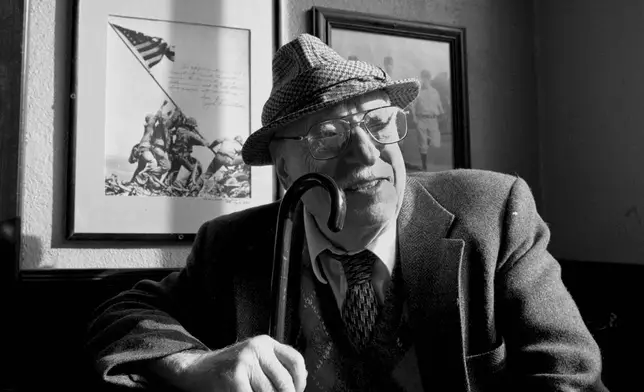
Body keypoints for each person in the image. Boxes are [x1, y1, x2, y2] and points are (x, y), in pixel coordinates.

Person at [86, 34, 608, 392]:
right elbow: (123, 317)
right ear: (285, 171)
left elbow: (570, 379)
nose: (364, 153)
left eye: (378, 122)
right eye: (327, 135)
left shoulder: (492, 214)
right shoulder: (232, 245)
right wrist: (194, 366)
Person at [412, 69, 444, 171]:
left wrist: (441, 115)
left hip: (433, 120)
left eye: (426, 78)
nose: (424, 80)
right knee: (422, 144)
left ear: (429, 79)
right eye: (423, 78)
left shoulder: (435, 92)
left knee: (436, 143)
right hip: (421, 119)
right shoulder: (418, 92)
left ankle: (431, 160)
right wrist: (414, 118)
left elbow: (439, 107)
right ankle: (424, 165)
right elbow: (412, 106)